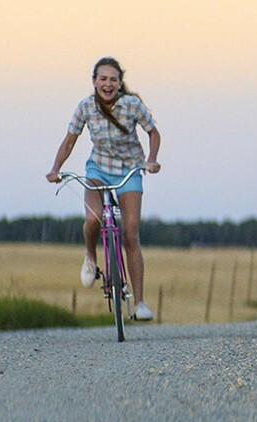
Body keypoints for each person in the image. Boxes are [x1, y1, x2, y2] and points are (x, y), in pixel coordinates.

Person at [46, 57, 161, 321]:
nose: (108, 84)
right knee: (92, 218)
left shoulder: (132, 105)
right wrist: (55, 168)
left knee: (130, 233)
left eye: (113, 79)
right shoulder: (85, 107)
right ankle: (90, 256)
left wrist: (151, 159)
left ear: (120, 83)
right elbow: (70, 140)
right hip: (98, 168)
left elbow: (154, 132)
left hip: (129, 168)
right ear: (94, 81)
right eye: (103, 79)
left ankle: (140, 303)